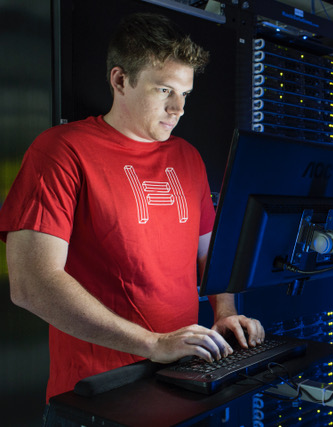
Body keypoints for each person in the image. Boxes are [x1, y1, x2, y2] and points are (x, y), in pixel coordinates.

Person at [0, 12, 264, 403]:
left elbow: (209, 255)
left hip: (184, 377)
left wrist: (224, 311)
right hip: (99, 392)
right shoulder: (61, 151)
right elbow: (31, 285)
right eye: (164, 91)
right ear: (121, 80)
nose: (179, 108)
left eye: (186, 94)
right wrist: (152, 343)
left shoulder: (187, 157)